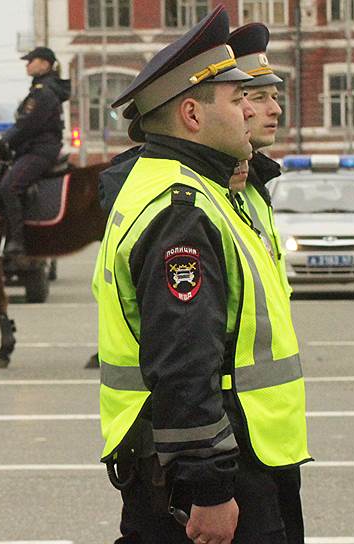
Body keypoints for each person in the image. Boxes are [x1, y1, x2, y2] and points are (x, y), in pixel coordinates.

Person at [93, 7, 310, 544]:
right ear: (192, 114)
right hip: (216, 469)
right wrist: (208, 489)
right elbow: (184, 358)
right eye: (238, 101)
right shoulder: (181, 209)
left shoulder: (195, 190)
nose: (251, 114)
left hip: (223, 457)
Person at [227, 23, 293, 296]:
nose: (276, 109)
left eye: (275, 97)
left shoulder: (251, 182)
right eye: (259, 97)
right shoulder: (221, 182)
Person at [0, 46, 71, 256]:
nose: (27, 64)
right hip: (35, 148)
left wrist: (4, 142)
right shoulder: (40, 89)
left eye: (31, 60)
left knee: (9, 187)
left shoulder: (43, 92)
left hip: (40, 150)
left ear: (45, 64)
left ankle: (18, 241)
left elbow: (28, 124)